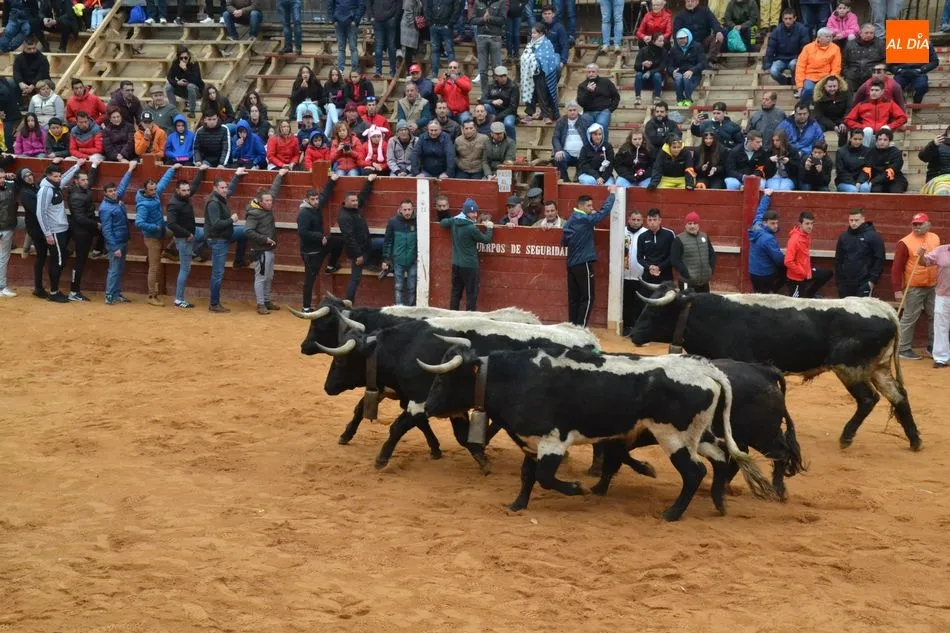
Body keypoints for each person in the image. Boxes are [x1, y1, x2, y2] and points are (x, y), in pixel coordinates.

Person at [561, 188, 615, 326]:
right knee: (588, 297)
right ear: (581, 206)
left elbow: (564, 241)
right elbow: (603, 213)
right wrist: (612, 195)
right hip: (583, 262)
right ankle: (581, 329)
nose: (592, 208)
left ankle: (572, 327)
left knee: (574, 298)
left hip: (571, 264)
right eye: (589, 205)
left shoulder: (571, 219)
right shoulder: (584, 219)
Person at [36, 160, 85, 302]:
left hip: (61, 229)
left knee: (60, 260)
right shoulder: (45, 190)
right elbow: (40, 213)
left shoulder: (55, 185)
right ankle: (53, 292)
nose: (58, 179)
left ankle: (55, 290)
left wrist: (77, 165)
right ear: (48, 176)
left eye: (58, 176)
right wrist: (47, 233)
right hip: (54, 231)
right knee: (57, 261)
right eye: (55, 176)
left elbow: (65, 178)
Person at [893, 213, 939, 360]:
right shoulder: (905, 242)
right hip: (914, 286)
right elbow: (897, 268)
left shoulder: (935, 238)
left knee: (935, 315)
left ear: (928, 224)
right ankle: (903, 348)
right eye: (915, 224)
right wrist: (897, 290)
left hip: (933, 285)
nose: (917, 227)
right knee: (910, 317)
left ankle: (933, 346)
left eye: (920, 224)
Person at [298, 176, 345, 311]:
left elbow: (324, 195)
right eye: (313, 199)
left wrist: (332, 180)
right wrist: (319, 236)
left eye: (316, 199)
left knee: (338, 241)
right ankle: (306, 307)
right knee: (310, 279)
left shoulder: (316, 207)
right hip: (310, 252)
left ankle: (330, 266)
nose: (316, 201)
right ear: (307, 200)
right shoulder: (304, 213)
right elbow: (302, 232)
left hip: (320, 246)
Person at [166, 164, 209, 309]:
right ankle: (179, 299)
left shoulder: (185, 197)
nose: (187, 192)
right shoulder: (174, 204)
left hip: (192, 233)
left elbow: (195, 186)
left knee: (210, 233)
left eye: (187, 190)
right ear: (177, 191)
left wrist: (201, 172)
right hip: (183, 238)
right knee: (185, 269)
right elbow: (171, 224)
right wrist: (187, 234)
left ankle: (195, 251)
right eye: (183, 190)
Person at [135, 164, 179, 306]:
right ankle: (151, 296)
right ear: (146, 190)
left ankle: (168, 251)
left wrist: (172, 169)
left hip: (161, 231)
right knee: (154, 267)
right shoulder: (143, 205)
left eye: (155, 189)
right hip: (152, 237)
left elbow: (163, 183)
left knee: (178, 231)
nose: (154, 192)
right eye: (151, 190)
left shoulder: (154, 194)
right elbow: (138, 222)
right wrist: (154, 227)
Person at [244, 168, 287, 314]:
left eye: (270, 200)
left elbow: (273, 191)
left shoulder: (264, 205)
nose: (270, 203)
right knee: (261, 277)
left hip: (269, 248)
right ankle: (260, 304)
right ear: (260, 202)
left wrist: (279, 175)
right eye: (267, 201)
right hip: (261, 250)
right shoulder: (254, 214)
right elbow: (248, 231)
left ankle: (266, 301)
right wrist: (265, 239)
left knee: (269, 277)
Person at [439, 198, 493, 310]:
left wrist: (454, 218)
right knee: (471, 294)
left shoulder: (454, 221)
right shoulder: (471, 228)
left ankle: (452, 315)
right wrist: (490, 228)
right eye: (472, 212)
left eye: (476, 212)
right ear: (466, 212)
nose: (475, 215)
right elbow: (486, 240)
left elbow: (443, 223)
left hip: (456, 264)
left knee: (456, 293)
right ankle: (470, 317)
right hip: (470, 266)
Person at [203, 172, 243, 313]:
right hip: (218, 239)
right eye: (222, 188)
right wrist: (232, 220)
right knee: (218, 273)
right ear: (215, 188)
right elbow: (216, 224)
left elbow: (230, 190)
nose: (225, 190)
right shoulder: (214, 203)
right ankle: (214, 304)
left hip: (224, 236)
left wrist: (236, 176)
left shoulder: (220, 197)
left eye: (225, 187)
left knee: (245, 231)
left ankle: (239, 260)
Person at [99, 161, 137, 305]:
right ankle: (109, 294)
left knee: (119, 269)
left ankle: (116, 293)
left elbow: (123, 186)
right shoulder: (105, 208)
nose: (114, 192)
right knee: (114, 269)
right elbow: (106, 230)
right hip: (115, 243)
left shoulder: (116, 200)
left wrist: (130, 170)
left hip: (123, 240)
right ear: (105, 193)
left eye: (114, 190)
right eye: (110, 191)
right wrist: (114, 247)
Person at [337, 174, 379, 302]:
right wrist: (358, 255)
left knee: (383, 243)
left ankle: (371, 263)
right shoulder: (344, 217)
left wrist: (369, 181)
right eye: (353, 201)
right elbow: (349, 238)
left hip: (367, 246)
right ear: (346, 202)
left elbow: (363, 196)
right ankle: (348, 302)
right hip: (359, 252)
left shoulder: (354, 208)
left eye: (356, 201)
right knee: (355, 278)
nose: (356, 203)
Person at [65, 159, 101, 301]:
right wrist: (95, 225)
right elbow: (80, 218)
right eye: (83, 180)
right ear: (76, 181)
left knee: (81, 261)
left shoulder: (81, 189)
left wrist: (94, 166)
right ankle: (74, 291)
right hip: (81, 232)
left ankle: (98, 249)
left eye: (86, 180)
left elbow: (90, 180)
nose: (86, 182)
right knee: (80, 261)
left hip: (85, 230)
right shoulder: (76, 197)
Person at [834, 209, 884, 298]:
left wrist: (872, 281)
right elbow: (838, 259)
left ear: (863, 219)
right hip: (845, 283)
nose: (853, 223)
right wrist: (839, 281)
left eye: (856, 220)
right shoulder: (843, 237)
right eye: (851, 220)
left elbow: (879, 259)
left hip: (864, 282)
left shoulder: (873, 236)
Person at [844, 80, 907, 147]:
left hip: (882, 135)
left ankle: (884, 151)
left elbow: (903, 118)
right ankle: (864, 152)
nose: (873, 92)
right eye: (872, 90)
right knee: (868, 130)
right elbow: (848, 119)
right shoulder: (862, 104)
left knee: (885, 129)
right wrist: (861, 127)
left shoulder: (889, 103)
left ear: (882, 91)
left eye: (877, 90)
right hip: (866, 135)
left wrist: (890, 126)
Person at [784, 210, 831, 298]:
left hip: (806, 272)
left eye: (812, 223)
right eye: (807, 223)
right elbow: (788, 261)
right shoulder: (794, 240)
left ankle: (809, 294)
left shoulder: (806, 236)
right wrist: (804, 273)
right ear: (800, 224)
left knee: (827, 274)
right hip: (796, 279)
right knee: (796, 304)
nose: (810, 226)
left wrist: (808, 271)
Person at [520, 24, 561, 125]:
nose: (532, 35)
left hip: (543, 73)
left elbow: (547, 57)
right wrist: (528, 59)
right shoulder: (530, 43)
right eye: (532, 33)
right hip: (530, 74)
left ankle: (546, 115)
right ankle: (529, 114)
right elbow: (525, 55)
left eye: (534, 33)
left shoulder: (547, 43)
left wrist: (534, 59)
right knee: (530, 94)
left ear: (541, 33)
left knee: (542, 94)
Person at [747, 189, 786, 293]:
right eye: (773, 223)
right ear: (765, 223)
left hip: (753, 273)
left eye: (777, 223)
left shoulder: (757, 225)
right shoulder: (768, 239)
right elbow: (779, 260)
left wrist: (766, 196)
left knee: (758, 296)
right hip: (765, 275)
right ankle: (773, 290)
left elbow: (760, 212)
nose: (776, 226)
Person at [381, 199, 418, 305]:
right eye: (405, 210)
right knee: (398, 287)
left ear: (413, 209)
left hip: (413, 260)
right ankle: (398, 309)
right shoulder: (393, 222)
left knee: (412, 287)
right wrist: (386, 260)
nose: (407, 212)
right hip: (398, 260)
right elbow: (388, 241)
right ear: (400, 210)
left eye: (409, 209)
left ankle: (411, 309)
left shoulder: (417, 221)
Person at [671, 211, 716, 292]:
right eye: (690, 223)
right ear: (685, 225)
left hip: (704, 281)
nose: (692, 226)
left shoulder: (705, 236)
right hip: (688, 282)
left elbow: (712, 254)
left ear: (698, 225)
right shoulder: (679, 239)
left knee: (704, 300)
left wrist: (710, 270)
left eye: (695, 223)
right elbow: (675, 260)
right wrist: (686, 273)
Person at [673, 0, 724, 70]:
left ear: (697, 2)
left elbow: (714, 21)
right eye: (688, 1)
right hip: (690, 45)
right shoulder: (680, 15)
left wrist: (718, 31)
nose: (690, 3)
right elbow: (676, 32)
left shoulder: (705, 11)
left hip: (704, 41)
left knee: (717, 37)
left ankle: (709, 61)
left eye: (692, 1)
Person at [922, 244, 950, 368]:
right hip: (943, 295)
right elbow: (924, 262)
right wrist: (921, 255)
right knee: (940, 325)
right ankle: (941, 358)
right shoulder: (940, 250)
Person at [794, 28, 841, 104]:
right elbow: (800, 67)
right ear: (818, 37)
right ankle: (802, 107)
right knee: (808, 89)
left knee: (827, 90)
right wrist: (799, 86)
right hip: (809, 77)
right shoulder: (807, 48)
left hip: (826, 77)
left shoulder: (835, 48)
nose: (829, 39)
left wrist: (831, 81)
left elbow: (836, 67)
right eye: (826, 36)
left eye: (830, 37)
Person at [574, 64, 619, 141]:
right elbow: (581, 102)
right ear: (586, 73)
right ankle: (588, 146)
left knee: (600, 126)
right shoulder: (582, 86)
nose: (591, 74)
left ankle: (603, 146)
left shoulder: (606, 82)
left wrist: (610, 109)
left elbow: (616, 97)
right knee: (584, 125)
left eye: (593, 72)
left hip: (603, 111)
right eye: (589, 72)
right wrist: (588, 92)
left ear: (597, 72)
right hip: (588, 112)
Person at [764, 9, 809, 86]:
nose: (788, 21)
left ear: (795, 18)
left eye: (790, 18)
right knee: (773, 71)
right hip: (780, 59)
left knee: (794, 65)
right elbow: (770, 49)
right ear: (782, 19)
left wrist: (800, 59)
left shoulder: (802, 29)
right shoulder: (777, 31)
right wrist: (767, 66)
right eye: (786, 19)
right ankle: (786, 83)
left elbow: (805, 48)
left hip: (795, 58)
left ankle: (796, 83)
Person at [471, 0, 507, 96]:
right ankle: (485, 93)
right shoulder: (477, 2)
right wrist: (483, 19)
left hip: (495, 37)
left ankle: (497, 92)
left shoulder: (501, 2)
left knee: (497, 68)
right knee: (482, 69)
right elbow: (472, 20)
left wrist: (490, 18)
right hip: (481, 37)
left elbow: (503, 20)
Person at [552, 100, 591, 183]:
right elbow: (555, 137)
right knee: (559, 158)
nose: (572, 112)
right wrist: (558, 150)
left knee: (588, 160)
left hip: (582, 153)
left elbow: (590, 137)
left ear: (578, 110)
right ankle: (565, 180)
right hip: (566, 152)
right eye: (570, 110)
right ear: (566, 111)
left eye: (574, 110)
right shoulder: (561, 121)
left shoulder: (585, 121)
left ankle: (578, 178)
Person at [621, 209, 647, 333]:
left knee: (639, 303)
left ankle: (637, 328)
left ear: (642, 221)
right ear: (628, 220)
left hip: (640, 276)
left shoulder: (646, 233)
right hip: (624, 276)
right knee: (625, 303)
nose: (636, 222)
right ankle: (626, 327)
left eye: (638, 220)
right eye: (633, 219)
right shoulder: (621, 232)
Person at [637, 207, 675, 284]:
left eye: (655, 220)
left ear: (660, 220)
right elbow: (639, 257)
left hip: (665, 275)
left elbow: (672, 256)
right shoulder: (642, 237)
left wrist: (659, 267)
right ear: (646, 221)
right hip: (648, 274)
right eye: (650, 220)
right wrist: (650, 267)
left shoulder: (669, 235)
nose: (652, 222)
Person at [668, 28, 705, 107]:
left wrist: (692, 70)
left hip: (694, 73)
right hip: (679, 72)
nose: (681, 40)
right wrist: (672, 71)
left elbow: (702, 63)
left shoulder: (697, 46)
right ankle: (680, 99)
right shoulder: (674, 49)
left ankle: (688, 99)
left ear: (688, 37)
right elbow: (669, 65)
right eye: (679, 39)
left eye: (683, 38)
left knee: (686, 78)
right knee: (678, 78)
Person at [842, 23, 883, 93]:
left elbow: (885, 60)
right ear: (860, 33)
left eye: (871, 33)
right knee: (847, 87)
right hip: (853, 74)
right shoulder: (850, 44)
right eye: (866, 33)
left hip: (872, 73)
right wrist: (847, 73)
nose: (869, 35)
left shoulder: (880, 44)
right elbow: (844, 61)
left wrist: (879, 71)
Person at [812, 74, 850, 146]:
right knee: (817, 129)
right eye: (830, 86)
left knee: (843, 129)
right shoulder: (819, 96)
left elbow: (849, 109)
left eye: (834, 86)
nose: (832, 88)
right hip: (825, 121)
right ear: (825, 86)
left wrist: (843, 122)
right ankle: (819, 148)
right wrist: (833, 126)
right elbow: (819, 115)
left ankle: (842, 149)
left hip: (841, 119)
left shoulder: (845, 93)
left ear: (838, 86)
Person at [865, 128, 907, 193]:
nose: (882, 142)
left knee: (896, 191)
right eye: (880, 139)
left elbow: (891, 171)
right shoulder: (871, 152)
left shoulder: (896, 152)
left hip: (894, 179)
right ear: (876, 141)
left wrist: (873, 181)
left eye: (885, 140)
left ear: (889, 141)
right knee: (876, 191)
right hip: (877, 180)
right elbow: (867, 168)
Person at [482, 66, 518, 139]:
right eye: (501, 76)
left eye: (505, 75)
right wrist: (492, 101)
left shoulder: (513, 87)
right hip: (494, 110)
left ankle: (511, 143)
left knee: (508, 124)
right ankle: (488, 139)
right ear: (496, 77)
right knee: (486, 106)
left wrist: (496, 117)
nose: (503, 78)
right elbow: (482, 99)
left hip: (508, 112)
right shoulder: (491, 85)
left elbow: (513, 107)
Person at [165, 48, 204, 116]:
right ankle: (173, 111)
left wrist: (185, 69)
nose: (183, 60)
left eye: (185, 58)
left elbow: (197, 80)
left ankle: (192, 112)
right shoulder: (176, 63)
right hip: (182, 88)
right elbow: (169, 77)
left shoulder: (194, 63)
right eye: (181, 58)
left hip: (196, 90)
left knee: (190, 86)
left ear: (189, 57)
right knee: (168, 87)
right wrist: (177, 82)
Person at [427, 0, 461, 76]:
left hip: (443, 26)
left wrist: (450, 23)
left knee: (445, 51)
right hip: (437, 26)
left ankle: (450, 75)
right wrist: (430, 22)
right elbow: (427, 7)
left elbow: (457, 10)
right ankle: (435, 74)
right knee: (445, 51)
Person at [0, 167, 19, 297]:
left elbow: (21, 180)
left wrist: (10, 176)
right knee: (2, 258)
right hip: (4, 228)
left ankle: (1, 286)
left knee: (3, 258)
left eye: (3, 177)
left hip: (7, 227)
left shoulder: (10, 185)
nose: (2, 180)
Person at [633, 34, 668, 106]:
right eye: (660, 41)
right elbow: (636, 66)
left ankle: (657, 97)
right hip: (644, 77)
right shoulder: (643, 50)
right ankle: (638, 97)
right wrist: (643, 64)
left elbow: (662, 67)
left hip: (658, 78)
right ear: (654, 41)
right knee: (638, 74)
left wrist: (650, 72)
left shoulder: (664, 52)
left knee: (657, 75)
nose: (662, 42)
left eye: (663, 41)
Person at [13, 39, 50, 104]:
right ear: (24, 48)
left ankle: (41, 104)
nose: (32, 50)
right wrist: (21, 83)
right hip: (25, 82)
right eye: (29, 49)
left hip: (39, 81)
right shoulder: (18, 58)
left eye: (34, 48)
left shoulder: (42, 58)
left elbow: (42, 74)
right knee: (11, 83)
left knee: (45, 84)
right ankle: (19, 104)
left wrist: (32, 85)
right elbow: (16, 72)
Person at [370, 0, 401, 78]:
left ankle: (389, 71)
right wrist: (371, 17)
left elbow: (399, 3)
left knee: (390, 46)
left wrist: (395, 17)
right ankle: (381, 71)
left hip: (389, 19)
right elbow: (368, 3)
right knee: (381, 47)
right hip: (379, 20)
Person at [329, 0, 362, 71]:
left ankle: (346, 69)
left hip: (346, 21)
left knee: (346, 48)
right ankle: (346, 70)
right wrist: (333, 20)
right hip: (344, 21)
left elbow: (361, 6)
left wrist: (356, 20)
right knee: (350, 48)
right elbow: (330, 5)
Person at [919, 127, 950, 196]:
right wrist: (933, 144)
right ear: (948, 132)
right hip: (939, 180)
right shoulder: (937, 144)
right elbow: (923, 157)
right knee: (943, 191)